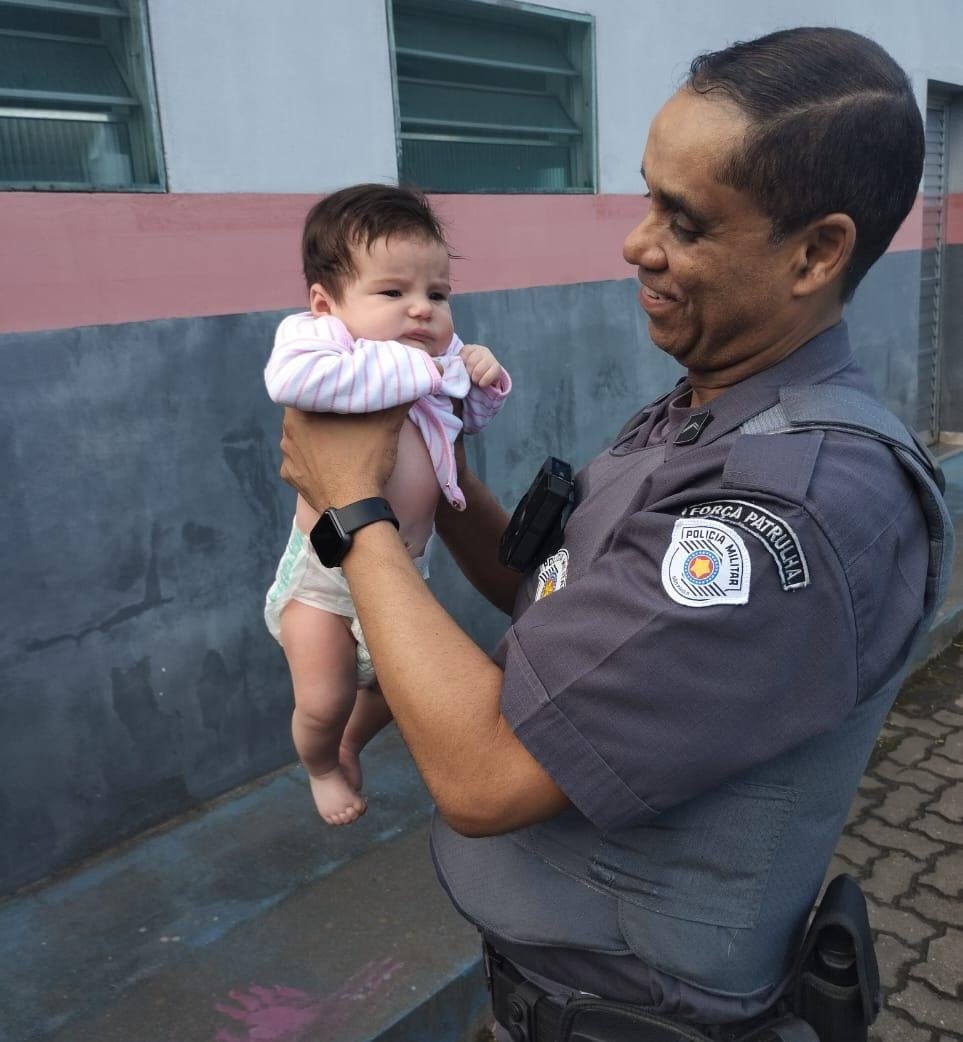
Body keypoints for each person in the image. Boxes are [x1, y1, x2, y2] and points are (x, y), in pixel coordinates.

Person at [277, 27, 952, 1041]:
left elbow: (484, 776)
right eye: (647, 199)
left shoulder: (788, 510)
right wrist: (442, 480)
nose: (638, 242)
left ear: (818, 251)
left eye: (683, 219)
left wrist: (354, 515)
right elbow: (552, 596)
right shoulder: (704, 410)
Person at [263, 184, 510, 825]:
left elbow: (466, 421)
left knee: (400, 691)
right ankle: (321, 762)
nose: (421, 311)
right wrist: (429, 372)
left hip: (404, 567)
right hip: (324, 574)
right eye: (393, 292)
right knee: (324, 697)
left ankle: (350, 743)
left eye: (438, 294)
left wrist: (481, 376)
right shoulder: (320, 343)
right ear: (326, 303)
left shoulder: (433, 358)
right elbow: (291, 383)